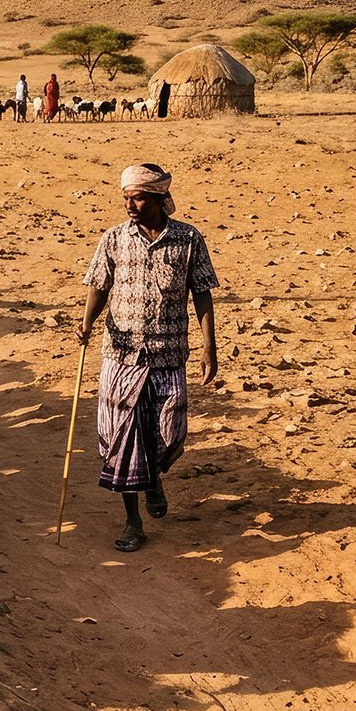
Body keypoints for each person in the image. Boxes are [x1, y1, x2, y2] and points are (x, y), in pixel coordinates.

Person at [75, 164, 218, 553]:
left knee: (169, 436)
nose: (130, 205)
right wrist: (86, 322)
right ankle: (133, 523)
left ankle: (154, 475)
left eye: (137, 198)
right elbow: (99, 285)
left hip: (168, 354)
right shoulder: (114, 239)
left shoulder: (188, 239)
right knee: (124, 443)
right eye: (126, 198)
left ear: (158, 199)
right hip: (121, 356)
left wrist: (209, 347)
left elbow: (202, 293)